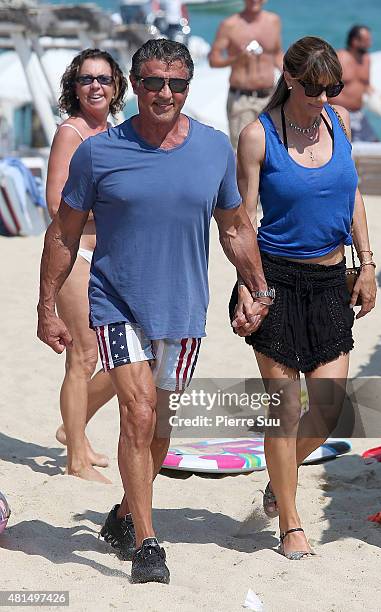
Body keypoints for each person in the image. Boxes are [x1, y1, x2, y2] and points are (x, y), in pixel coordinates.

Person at [37, 38, 271, 584]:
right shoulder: (98, 151)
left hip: (184, 307)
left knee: (160, 426)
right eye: (153, 82)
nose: (165, 93)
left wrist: (256, 288)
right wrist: (46, 304)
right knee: (137, 415)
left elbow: (235, 227)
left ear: (188, 87)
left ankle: (123, 513)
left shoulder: (215, 148)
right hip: (116, 300)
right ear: (134, 86)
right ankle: (148, 543)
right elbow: (64, 232)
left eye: (177, 83)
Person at [231, 36, 377, 560]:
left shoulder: (339, 123)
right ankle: (290, 523)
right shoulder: (257, 136)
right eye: (315, 88)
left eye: (332, 88)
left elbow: (352, 191)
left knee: (331, 407)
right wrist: (251, 286)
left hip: (331, 279)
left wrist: (367, 263)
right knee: (284, 409)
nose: (324, 97)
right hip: (276, 281)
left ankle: (280, 477)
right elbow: (242, 220)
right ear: (289, 79)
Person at [46, 50, 127, 484]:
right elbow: (56, 204)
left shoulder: (111, 131)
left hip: (108, 256)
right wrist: (113, 214)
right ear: (74, 87)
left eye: (104, 79)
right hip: (75, 254)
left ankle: (71, 428)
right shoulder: (71, 133)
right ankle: (75, 456)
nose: (96, 86)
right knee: (83, 355)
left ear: (116, 87)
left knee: (127, 355)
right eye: (87, 79)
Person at [208, 0, 283, 150]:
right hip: (242, 99)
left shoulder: (273, 21)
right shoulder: (230, 25)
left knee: (272, 147)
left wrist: (292, 76)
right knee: (242, 150)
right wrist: (236, 59)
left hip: (270, 97)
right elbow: (213, 60)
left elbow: (276, 54)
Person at [331, 25, 378, 142]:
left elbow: (365, 84)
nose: (370, 43)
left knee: (375, 144)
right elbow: (326, 87)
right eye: (366, 40)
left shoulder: (366, 59)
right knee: (346, 148)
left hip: (359, 114)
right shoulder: (339, 58)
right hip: (339, 113)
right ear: (354, 41)